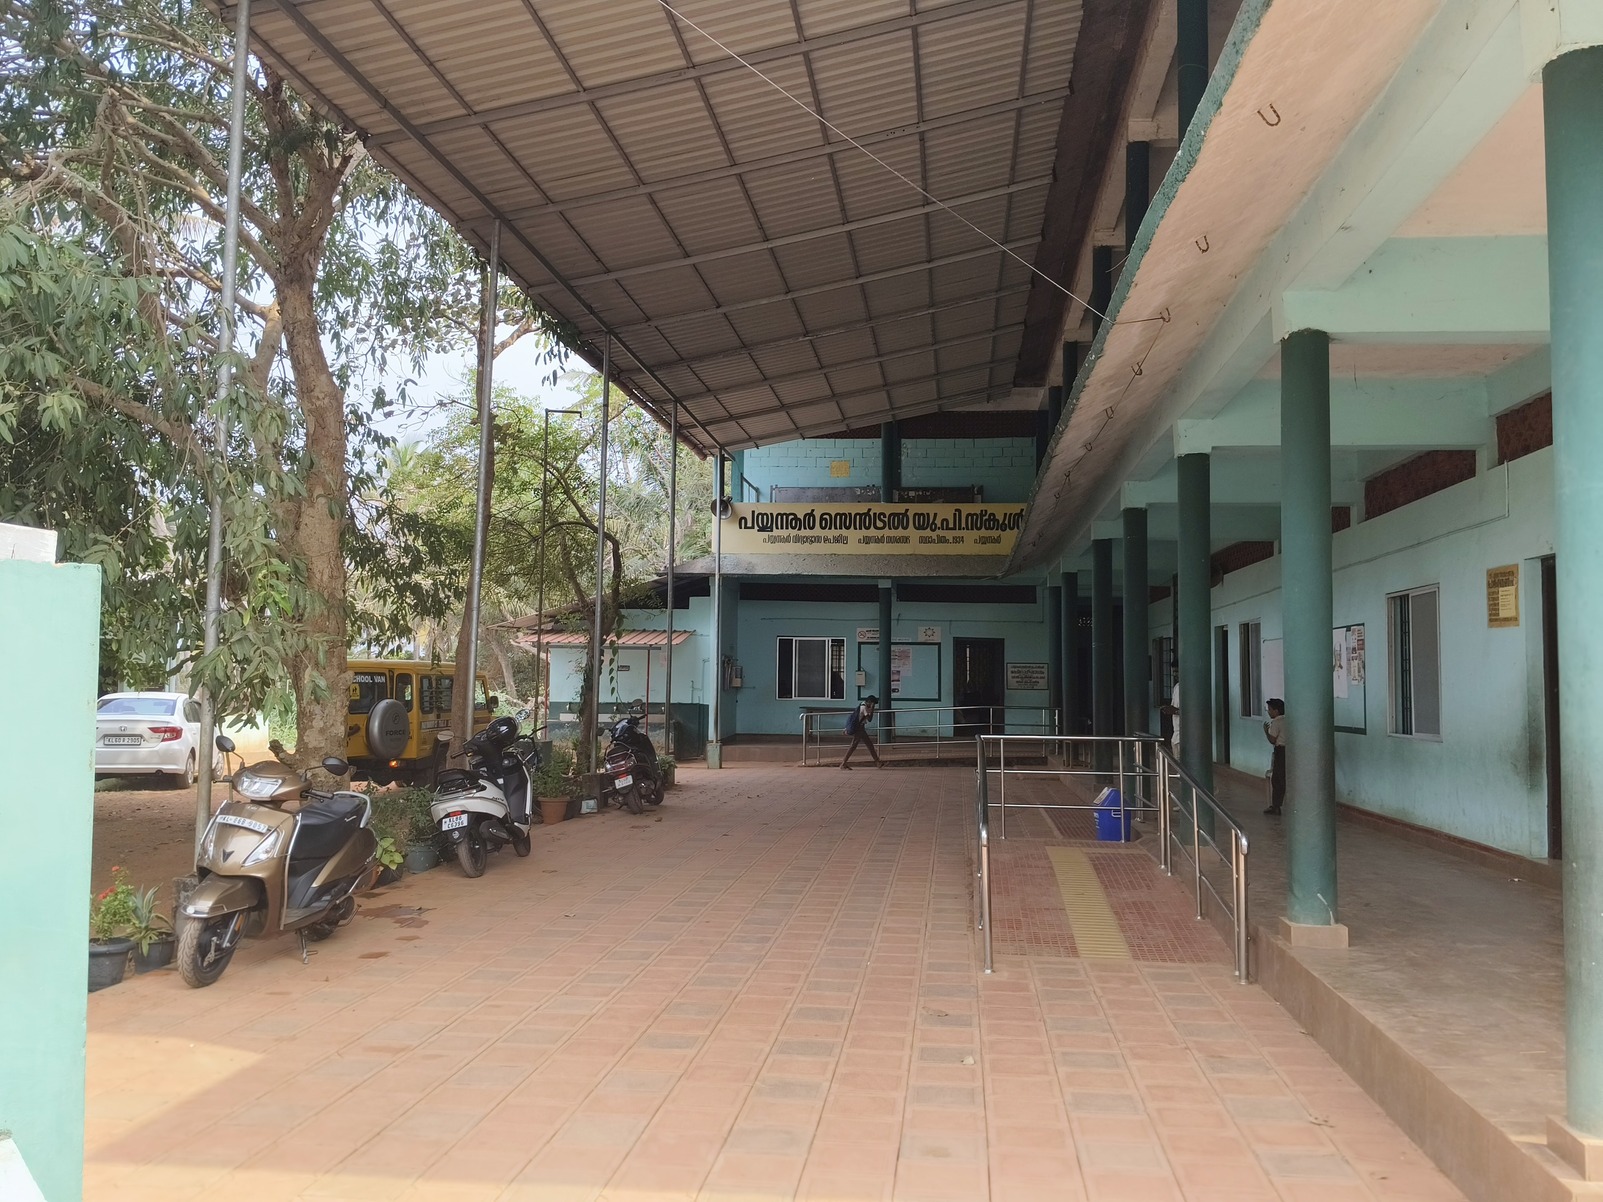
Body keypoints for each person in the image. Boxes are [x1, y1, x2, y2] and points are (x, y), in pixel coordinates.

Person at [840, 695, 884, 770]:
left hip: (861, 728)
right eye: (873, 704)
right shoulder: (864, 707)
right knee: (855, 746)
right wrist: (872, 709)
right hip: (859, 729)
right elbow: (869, 719)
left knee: (868, 745)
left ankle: (877, 762)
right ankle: (843, 763)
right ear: (869, 702)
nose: (873, 705)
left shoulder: (862, 704)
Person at [1263, 698, 1286, 815]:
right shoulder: (1288, 720)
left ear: (1276, 711)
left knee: (1277, 779)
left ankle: (1276, 806)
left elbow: (1272, 740)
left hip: (1281, 751)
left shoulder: (1276, 722)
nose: (1268, 712)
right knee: (1284, 778)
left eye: (1270, 709)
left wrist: (1266, 731)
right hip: (1290, 751)